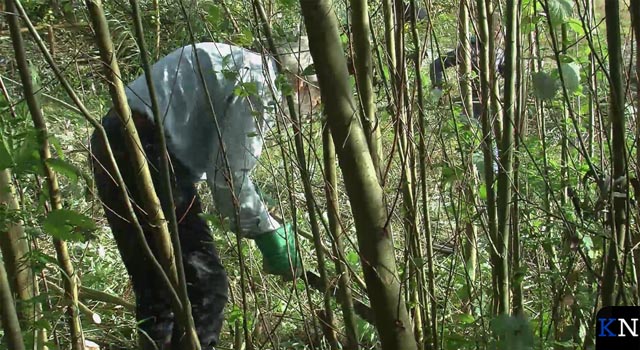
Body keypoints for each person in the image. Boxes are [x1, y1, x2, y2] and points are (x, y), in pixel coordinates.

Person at [90, 42, 310, 349]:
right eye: (313, 95)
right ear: (301, 81)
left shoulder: (232, 60)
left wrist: (259, 211)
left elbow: (224, 166)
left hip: (109, 141)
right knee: (204, 287)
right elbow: (229, 177)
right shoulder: (259, 81)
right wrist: (266, 233)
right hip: (145, 150)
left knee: (157, 287)